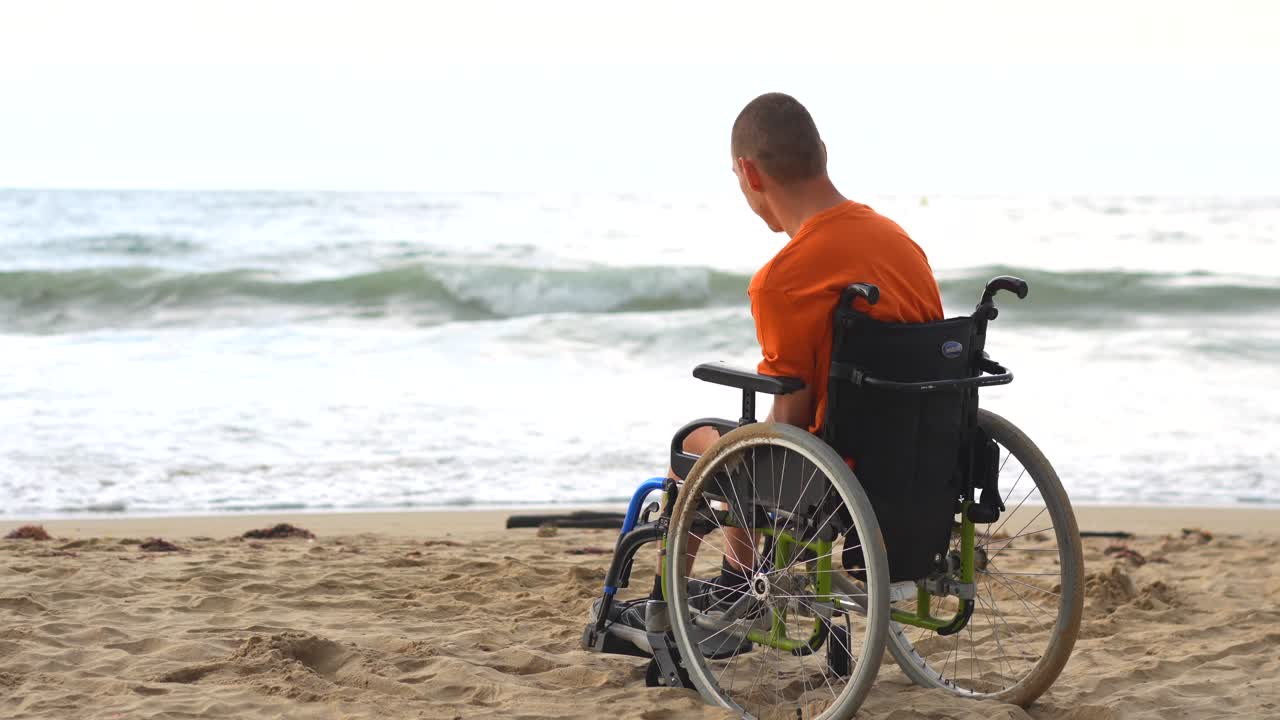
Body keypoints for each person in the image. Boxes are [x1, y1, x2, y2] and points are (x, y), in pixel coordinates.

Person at [608, 91, 945, 632]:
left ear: (749, 172)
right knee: (746, 444)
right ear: (823, 154)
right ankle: (733, 578)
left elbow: (789, 418)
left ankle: (674, 606)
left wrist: (743, 453)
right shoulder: (900, 243)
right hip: (921, 456)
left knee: (699, 444)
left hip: (835, 471)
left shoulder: (783, 278)